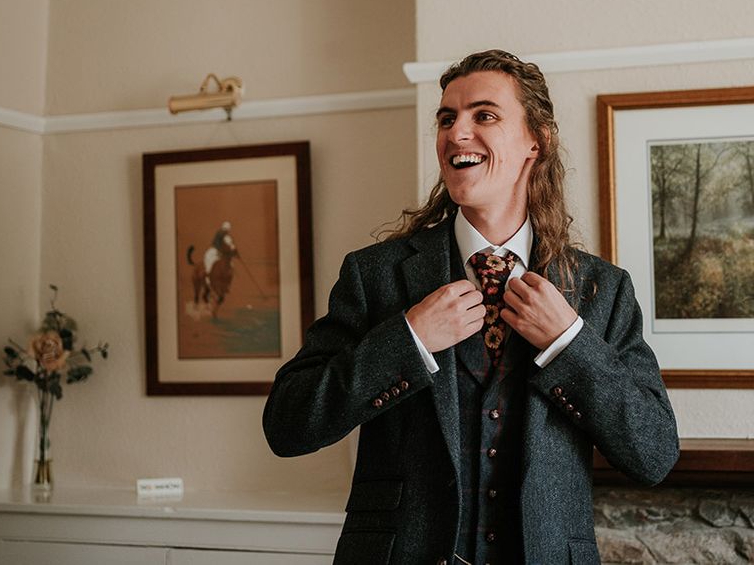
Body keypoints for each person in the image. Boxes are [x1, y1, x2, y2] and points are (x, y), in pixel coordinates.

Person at [263, 50, 679, 565]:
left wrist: (569, 343)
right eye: (446, 118)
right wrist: (407, 340)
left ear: (536, 140)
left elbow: (654, 456)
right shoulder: (374, 276)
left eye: (484, 115)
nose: (456, 133)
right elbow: (288, 425)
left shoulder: (602, 290)